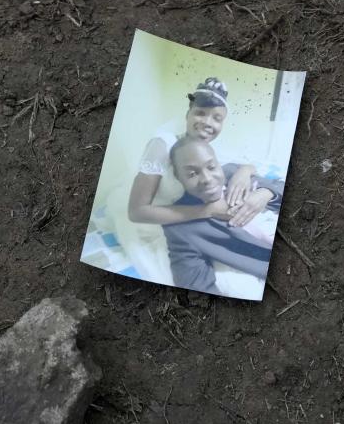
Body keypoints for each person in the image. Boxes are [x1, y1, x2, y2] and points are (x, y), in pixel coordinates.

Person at [106, 78, 258, 283]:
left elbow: (241, 164)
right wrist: (208, 211)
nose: (207, 123)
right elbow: (136, 212)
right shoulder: (162, 145)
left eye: (217, 118)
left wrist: (245, 171)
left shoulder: (204, 146)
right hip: (157, 217)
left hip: (188, 212)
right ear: (188, 114)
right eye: (200, 113)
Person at [162, 136, 284, 295]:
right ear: (179, 178)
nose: (207, 179)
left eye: (211, 167)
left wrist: (266, 193)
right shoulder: (180, 227)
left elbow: (280, 185)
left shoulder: (233, 174)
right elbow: (193, 284)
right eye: (192, 174)